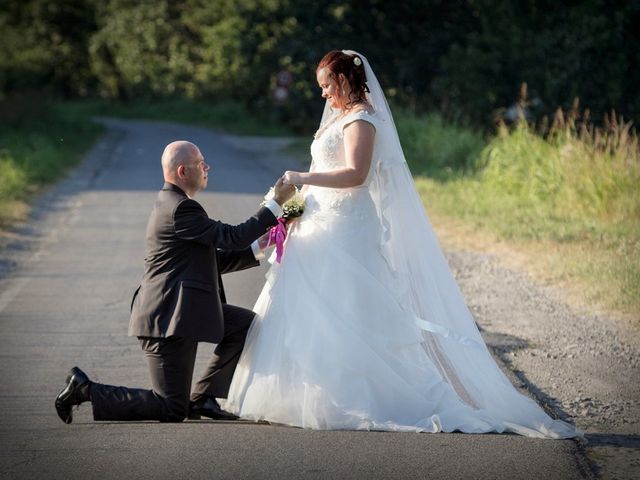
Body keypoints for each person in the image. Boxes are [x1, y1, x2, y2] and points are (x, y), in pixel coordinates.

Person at [222, 50, 581, 438]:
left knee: (349, 307)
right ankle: (301, 394)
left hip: (346, 227)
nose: (323, 95)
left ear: (344, 81)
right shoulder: (338, 119)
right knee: (307, 309)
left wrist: (301, 177)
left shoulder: (362, 119)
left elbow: (356, 175)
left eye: (326, 86)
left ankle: (361, 397)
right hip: (318, 222)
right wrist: (294, 211)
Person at [55, 140, 295, 423]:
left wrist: (260, 245)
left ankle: (203, 397)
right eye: (201, 163)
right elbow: (232, 236)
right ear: (183, 171)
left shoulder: (178, 205)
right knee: (170, 408)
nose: (207, 167)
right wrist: (276, 203)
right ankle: (84, 389)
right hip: (166, 317)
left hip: (187, 310)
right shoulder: (181, 209)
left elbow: (210, 261)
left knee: (244, 327)